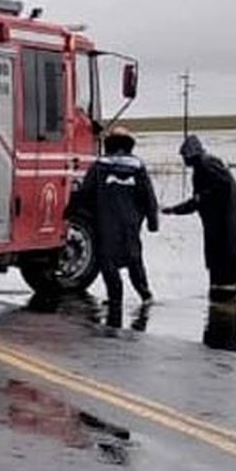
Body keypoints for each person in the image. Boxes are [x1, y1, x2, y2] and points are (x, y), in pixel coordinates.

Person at [162, 134, 236, 353]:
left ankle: (224, 314)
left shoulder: (208, 164)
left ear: (191, 155)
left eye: (185, 157)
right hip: (221, 230)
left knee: (225, 270)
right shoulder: (204, 166)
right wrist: (176, 209)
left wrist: (197, 200)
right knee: (219, 269)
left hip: (227, 229)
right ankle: (222, 310)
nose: (184, 161)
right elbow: (199, 201)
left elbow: (214, 192)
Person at [73, 126, 160, 329]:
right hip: (131, 224)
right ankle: (145, 295)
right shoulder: (138, 167)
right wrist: (152, 222)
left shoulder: (99, 166)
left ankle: (115, 299)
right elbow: (149, 197)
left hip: (106, 223)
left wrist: (71, 212)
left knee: (108, 264)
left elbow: (85, 193)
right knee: (134, 260)